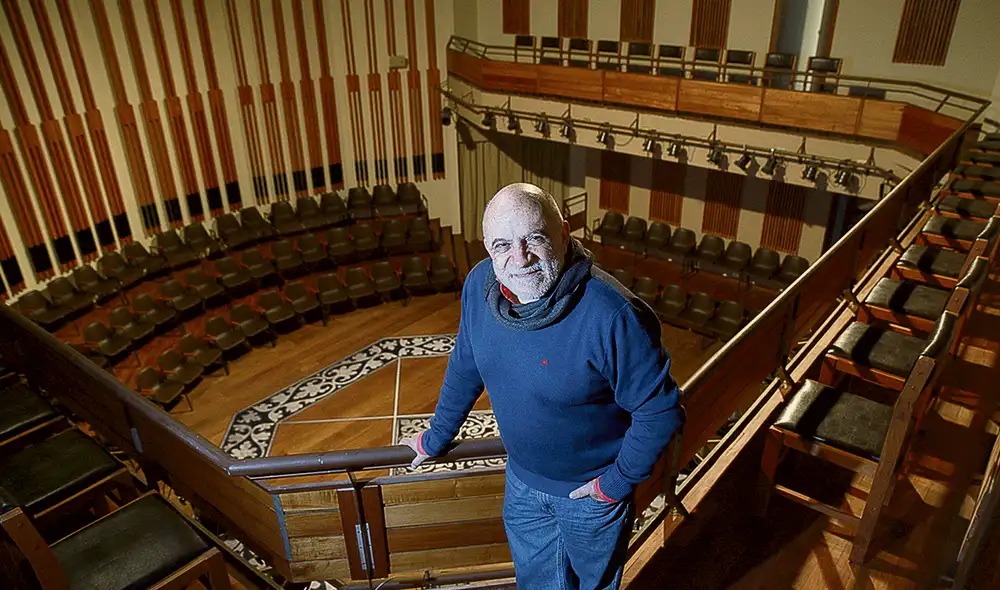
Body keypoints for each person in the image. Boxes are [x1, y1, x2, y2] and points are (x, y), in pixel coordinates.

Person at [401, 183, 684, 590]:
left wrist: (616, 483)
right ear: (486, 248)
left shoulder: (611, 313)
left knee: (594, 586)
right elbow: (466, 365)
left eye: (534, 238)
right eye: (502, 245)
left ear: (565, 234)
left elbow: (661, 409)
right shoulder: (479, 286)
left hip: (591, 495)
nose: (520, 258)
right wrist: (435, 438)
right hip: (522, 484)